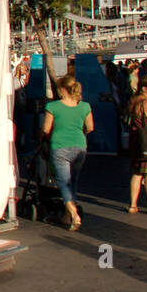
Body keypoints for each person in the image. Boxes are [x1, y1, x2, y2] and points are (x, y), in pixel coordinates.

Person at [42, 74, 93, 231]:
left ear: (62, 90)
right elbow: (90, 127)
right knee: (73, 182)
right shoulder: (84, 106)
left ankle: (74, 213)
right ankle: (67, 216)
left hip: (60, 146)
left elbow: (45, 129)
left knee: (63, 183)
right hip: (80, 146)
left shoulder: (53, 107)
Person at [127, 74, 147, 215]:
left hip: (136, 141)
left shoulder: (134, 102)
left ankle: (133, 204)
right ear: (145, 88)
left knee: (137, 173)